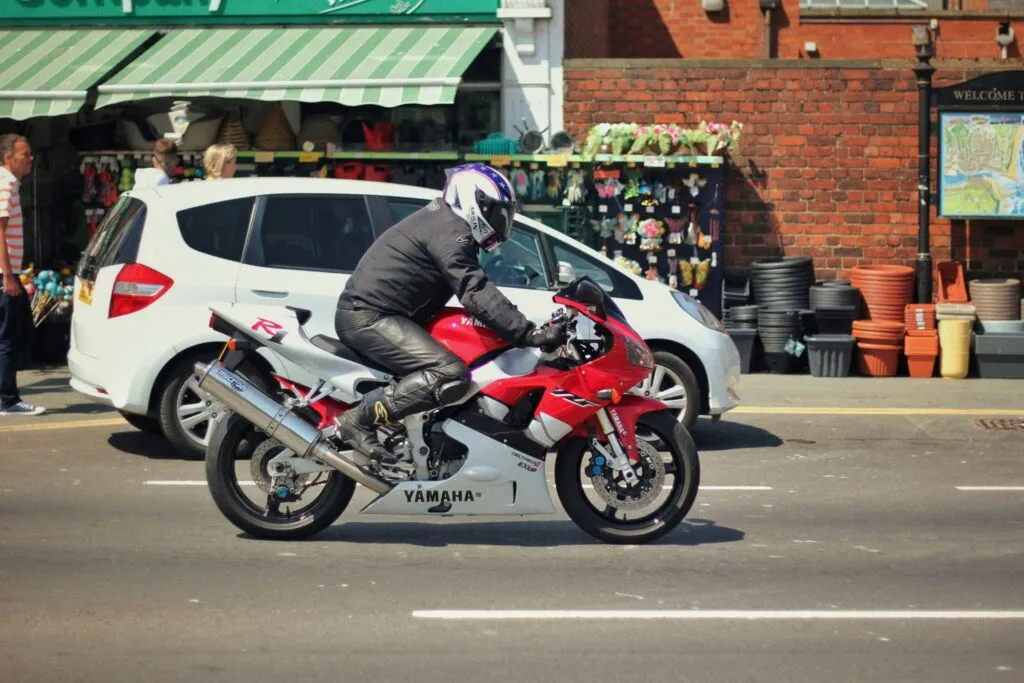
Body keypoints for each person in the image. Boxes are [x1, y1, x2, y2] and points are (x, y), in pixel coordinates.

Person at [333, 163, 566, 462]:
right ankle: (358, 420)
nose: (500, 221)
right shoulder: (451, 232)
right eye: (496, 212)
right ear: (473, 201)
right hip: (369, 318)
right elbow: (474, 289)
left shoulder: (444, 221)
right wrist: (527, 333)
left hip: (384, 314)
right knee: (449, 374)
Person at [0, 134, 45, 416]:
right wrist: (8, 276)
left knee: (12, 335)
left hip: (9, 271)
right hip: (4, 274)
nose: (30, 159)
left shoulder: (9, 184)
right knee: (9, 339)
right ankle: (7, 399)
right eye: (25, 154)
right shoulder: (6, 184)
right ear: (8, 158)